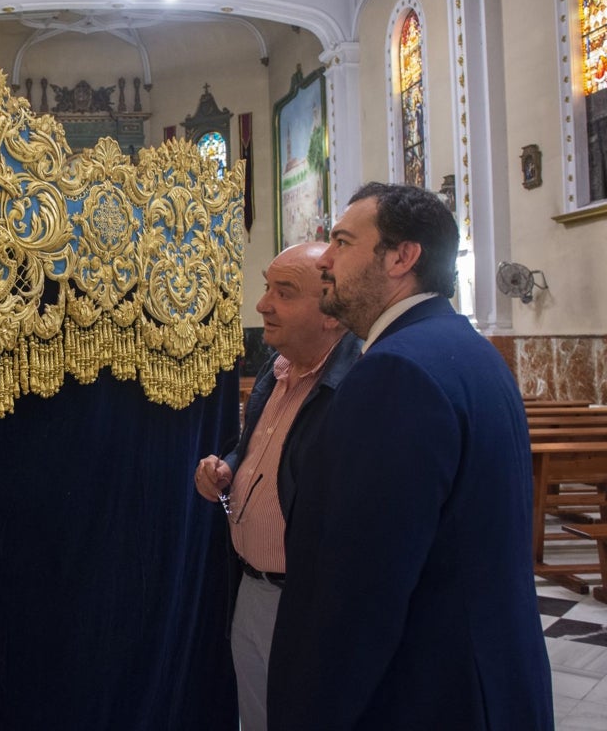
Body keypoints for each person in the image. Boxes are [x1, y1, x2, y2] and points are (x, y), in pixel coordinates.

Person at [268, 183, 553, 730]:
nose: (326, 258)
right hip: (488, 681)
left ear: (402, 257)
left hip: (423, 694)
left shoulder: (396, 372)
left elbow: (360, 587)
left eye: (343, 242)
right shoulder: (469, 351)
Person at [195, 242, 361, 731]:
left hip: (306, 602)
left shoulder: (356, 386)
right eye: (267, 287)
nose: (263, 304)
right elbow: (257, 448)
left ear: (331, 311)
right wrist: (226, 466)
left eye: (283, 292)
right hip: (251, 584)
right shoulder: (277, 367)